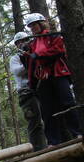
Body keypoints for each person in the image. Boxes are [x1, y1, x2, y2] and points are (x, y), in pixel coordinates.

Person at [24, 13, 82, 146]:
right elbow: (32, 65)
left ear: (41, 23)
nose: (32, 28)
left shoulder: (53, 36)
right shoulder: (33, 43)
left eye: (34, 25)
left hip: (58, 74)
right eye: (30, 26)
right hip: (43, 78)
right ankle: (53, 142)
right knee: (47, 110)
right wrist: (32, 84)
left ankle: (78, 133)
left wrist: (38, 55)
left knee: (67, 102)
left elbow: (58, 50)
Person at [9, 32, 47, 151]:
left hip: (39, 89)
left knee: (48, 118)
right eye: (20, 42)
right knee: (35, 122)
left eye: (26, 40)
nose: (23, 43)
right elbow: (18, 71)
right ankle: (38, 150)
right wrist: (30, 61)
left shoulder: (34, 54)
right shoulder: (15, 58)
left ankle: (51, 144)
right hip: (26, 93)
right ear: (16, 45)